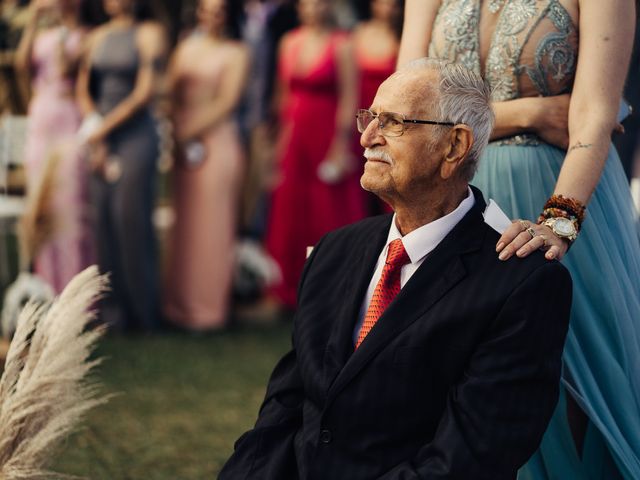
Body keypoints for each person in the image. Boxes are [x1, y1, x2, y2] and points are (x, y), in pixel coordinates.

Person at [220, 59, 573, 480]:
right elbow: (282, 412)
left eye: (393, 122)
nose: (367, 137)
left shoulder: (521, 284)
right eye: (369, 118)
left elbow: (469, 458)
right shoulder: (334, 251)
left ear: (454, 147)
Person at [397, 1, 640, 478]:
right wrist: (529, 112)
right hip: (456, 201)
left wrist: (559, 222)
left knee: (574, 385)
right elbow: (407, 109)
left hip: (565, 193)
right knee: (454, 380)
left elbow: (592, 118)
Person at [265, 0, 366, 310]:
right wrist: (278, 145)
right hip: (295, 134)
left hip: (325, 133)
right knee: (290, 209)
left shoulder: (343, 44)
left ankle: (334, 288)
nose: (313, 7)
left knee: (328, 209)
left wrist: (339, 145)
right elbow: (281, 96)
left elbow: (350, 97)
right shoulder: (289, 41)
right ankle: (286, 288)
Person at [76, 0, 168, 331]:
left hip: (135, 136)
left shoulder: (149, 33)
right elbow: (84, 88)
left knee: (131, 220)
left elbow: (145, 92)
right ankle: (113, 315)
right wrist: (95, 133)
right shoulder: (96, 36)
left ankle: (144, 313)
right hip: (101, 137)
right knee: (103, 221)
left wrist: (102, 129)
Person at [162, 0, 249, 330]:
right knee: (185, 226)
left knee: (212, 228)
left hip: (216, 144)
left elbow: (228, 101)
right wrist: (175, 127)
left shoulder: (236, 52)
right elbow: (170, 91)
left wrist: (188, 131)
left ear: (227, 16)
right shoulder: (185, 47)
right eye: (205, 10)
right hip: (185, 146)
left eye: (217, 11)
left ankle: (208, 309)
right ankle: (177, 305)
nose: (210, 17)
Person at [14, 0, 93, 293]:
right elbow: (22, 65)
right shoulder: (41, 35)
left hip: (68, 118)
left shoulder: (83, 35)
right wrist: (34, 20)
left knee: (69, 207)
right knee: (42, 206)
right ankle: (46, 288)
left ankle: (75, 292)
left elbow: (67, 70)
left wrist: (65, 33)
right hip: (40, 121)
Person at [352, 0, 402, 215]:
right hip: (360, 109)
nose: (386, 8)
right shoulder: (359, 32)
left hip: (386, 112)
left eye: (392, 4)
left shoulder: (400, 37)